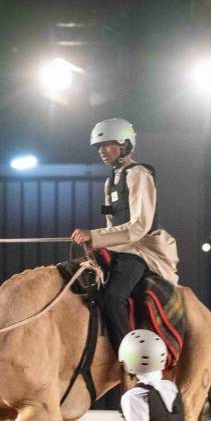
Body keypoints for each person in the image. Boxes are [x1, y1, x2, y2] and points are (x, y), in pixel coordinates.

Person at [71, 118, 180, 354]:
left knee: (112, 297)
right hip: (118, 248)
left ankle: (129, 356)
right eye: (99, 147)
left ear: (125, 145)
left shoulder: (139, 174)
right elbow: (111, 222)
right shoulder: (109, 181)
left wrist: (94, 235)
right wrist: (95, 244)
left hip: (141, 250)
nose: (102, 151)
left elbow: (139, 226)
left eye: (108, 145)